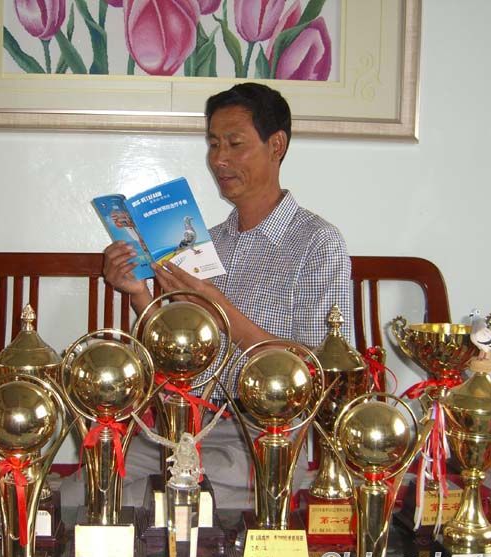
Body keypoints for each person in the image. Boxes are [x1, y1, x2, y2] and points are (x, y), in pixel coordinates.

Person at [65, 83, 352, 510]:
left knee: (140, 504)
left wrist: (219, 311)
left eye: (235, 144)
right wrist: (139, 294)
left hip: (260, 435)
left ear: (276, 145)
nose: (219, 159)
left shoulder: (317, 243)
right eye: (214, 144)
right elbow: (180, 354)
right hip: (184, 423)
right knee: (76, 495)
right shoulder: (207, 242)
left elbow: (320, 372)